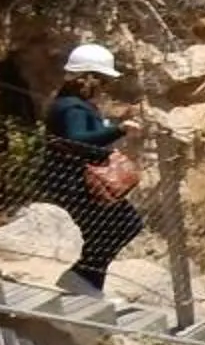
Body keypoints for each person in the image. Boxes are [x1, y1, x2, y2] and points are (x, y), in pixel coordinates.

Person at [41, 43, 146, 296]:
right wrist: (118, 130)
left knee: (112, 229)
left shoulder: (72, 104)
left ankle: (87, 283)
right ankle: (83, 280)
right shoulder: (72, 108)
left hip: (75, 181)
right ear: (89, 78)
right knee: (124, 225)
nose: (106, 87)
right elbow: (77, 139)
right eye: (104, 81)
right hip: (75, 183)